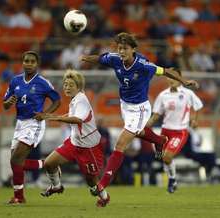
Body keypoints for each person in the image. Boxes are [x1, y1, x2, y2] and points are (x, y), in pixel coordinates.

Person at [81, 32, 199, 205]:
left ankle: (103, 184)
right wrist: (84, 58)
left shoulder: (144, 65)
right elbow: (99, 58)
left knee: (120, 144)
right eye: (120, 48)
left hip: (141, 108)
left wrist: (184, 81)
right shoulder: (115, 59)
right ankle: (159, 140)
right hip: (125, 106)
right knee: (138, 132)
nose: (121, 51)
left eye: (125, 48)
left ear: (133, 49)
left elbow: (166, 71)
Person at [35, 70, 110, 207]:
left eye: (71, 85)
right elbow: (70, 114)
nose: (67, 87)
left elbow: (77, 119)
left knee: (91, 180)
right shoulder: (75, 99)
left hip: (89, 146)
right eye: (65, 85)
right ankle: (56, 186)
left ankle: (104, 197)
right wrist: (51, 116)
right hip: (74, 142)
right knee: (49, 163)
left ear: (79, 86)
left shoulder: (81, 100)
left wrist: (55, 118)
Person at [3, 51, 61, 204]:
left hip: (34, 123)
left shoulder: (43, 82)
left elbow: (57, 100)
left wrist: (45, 114)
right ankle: (19, 196)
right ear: (22, 63)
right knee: (14, 162)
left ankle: (20, 195)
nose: (28, 64)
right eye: (26, 61)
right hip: (20, 123)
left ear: (37, 64)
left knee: (16, 159)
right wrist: (8, 103)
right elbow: (5, 103)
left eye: (32, 61)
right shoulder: (15, 81)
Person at [146, 71, 203, 193]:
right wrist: (144, 127)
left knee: (167, 156)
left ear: (179, 78)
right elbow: (156, 115)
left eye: (173, 76)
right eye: (168, 76)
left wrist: (194, 120)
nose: (170, 79)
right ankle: (173, 179)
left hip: (180, 132)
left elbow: (197, 106)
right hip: (165, 131)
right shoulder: (163, 95)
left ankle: (171, 180)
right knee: (164, 158)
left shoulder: (187, 93)